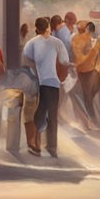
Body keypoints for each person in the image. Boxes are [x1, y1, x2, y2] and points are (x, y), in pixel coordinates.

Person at [22, 16, 69, 157]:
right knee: (52, 115)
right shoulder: (57, 42)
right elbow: (65, 60)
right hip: (53, 83)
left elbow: (27, 60)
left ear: (36, 28)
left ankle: (36, 144)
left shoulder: (31, 43)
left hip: (39, 82)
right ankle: (52, 146)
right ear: (48, 27)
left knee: (39, 113)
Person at [71, 22, 100, 128]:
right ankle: (89, 120)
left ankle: (91, 121)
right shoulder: (81, 40)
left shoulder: (83, 40)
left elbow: (80, 58)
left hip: (87, 72)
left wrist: (95, 68)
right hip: (88, 71)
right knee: (84, 96)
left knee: (86, 97)